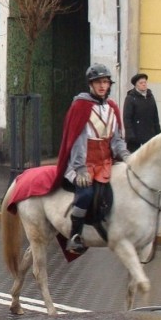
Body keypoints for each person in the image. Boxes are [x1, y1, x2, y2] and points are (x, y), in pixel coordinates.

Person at [60, 64, 131, 254]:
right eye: (98, 82)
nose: (102, 86)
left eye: (106, 82)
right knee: (86, 193)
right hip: (83, 163)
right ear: (91, 84)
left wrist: (125, 155)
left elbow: (116, 139)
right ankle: (75, 235)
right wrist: (80, 168)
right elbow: (77, 141)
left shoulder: (112, 107)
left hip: (106, 162)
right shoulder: (80, 107)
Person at [124, 73, 161, 152]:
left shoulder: (150, 97)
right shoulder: (130, 98)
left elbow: (155, 117)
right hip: (135, 137)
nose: (144, 84)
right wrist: (130, 135)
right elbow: (127, 118)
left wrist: (158, 133)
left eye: (145, 82)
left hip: (149, 136)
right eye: (141, 83)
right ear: (136, 85)